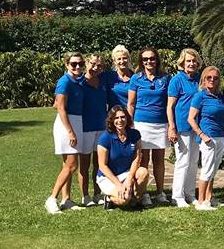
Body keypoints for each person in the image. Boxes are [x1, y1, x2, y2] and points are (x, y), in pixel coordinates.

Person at [127, 47, 170, 206]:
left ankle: (160, 193)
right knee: (142, 160)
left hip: (160, 123)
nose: (149, 62)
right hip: (141, 124)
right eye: (145, 59)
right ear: (141, 61)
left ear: (156, 60)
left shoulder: (165, 78)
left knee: (159, 160)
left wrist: (171, 124)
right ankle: (143, 193)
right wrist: (130, 124)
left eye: (152, 58)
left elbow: (169, 102)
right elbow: (131, 104)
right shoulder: (136, 79)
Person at [45, 52, 86, 214]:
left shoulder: (78, 81)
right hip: (66, 124)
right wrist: (70, 131)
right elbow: (60, 107)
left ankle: (66, 199)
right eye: (73, 64)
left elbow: (56, 103)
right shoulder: (64, 81)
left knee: (67, 165)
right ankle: (52, 198)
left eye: (80, 63)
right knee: (72, 165)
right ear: (66, 65)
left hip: (77, 121)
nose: (77, 66)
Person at [188, 66, 224, 211]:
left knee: (213, 169)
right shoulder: (200, 96)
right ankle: (200, 202)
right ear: (204, 79)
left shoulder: (219, 96)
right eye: (209, 77)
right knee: (206, 169)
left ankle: (208, 198)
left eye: (215, 78)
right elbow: (191, 119)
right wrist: (202, 135)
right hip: (208, 138)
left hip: (220, 136)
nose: (212, 80)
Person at [166, 48, 202, 208]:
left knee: (194, 161)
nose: (191, 63)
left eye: (194, 61)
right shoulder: (176, 80)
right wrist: (172, 127)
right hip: (181, 127)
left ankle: (190, 193)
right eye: (188, 61)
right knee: (183, 161)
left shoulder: (199, 79)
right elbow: (170, 106)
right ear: (182, 62)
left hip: (197, 127)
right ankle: (177, 195)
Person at [96, 106, 150, 210]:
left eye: (123, 117)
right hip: (108, 177)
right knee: (123, 200)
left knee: (143, 172)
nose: (120, 120)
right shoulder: (105, 138)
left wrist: (129, 178)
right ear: (111, 120)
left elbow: (137, 158)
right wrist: (118, 184)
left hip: (126, 173)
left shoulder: (135, 134)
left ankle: (136, 199)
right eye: (116, 118)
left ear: (127, 118)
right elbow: (102, 166)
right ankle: (109, 198)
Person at [79, 54, 107, 207]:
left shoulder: (102, 81)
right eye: (93, 64)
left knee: (99, 163)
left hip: (101, 127)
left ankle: (97, 193)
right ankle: (85, 196)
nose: (96, 67)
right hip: (85, 127)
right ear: (87, 63)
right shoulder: (80, 82)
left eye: (100, 65)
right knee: (84, 164)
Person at [104, 45, 133, 109]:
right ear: (114, 61)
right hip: (115, 117)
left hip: (132, 115)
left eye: (124, 58)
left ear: (129, 59)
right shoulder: (108, 76)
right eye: (119, 59)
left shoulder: (135, 78)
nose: (122, 61)